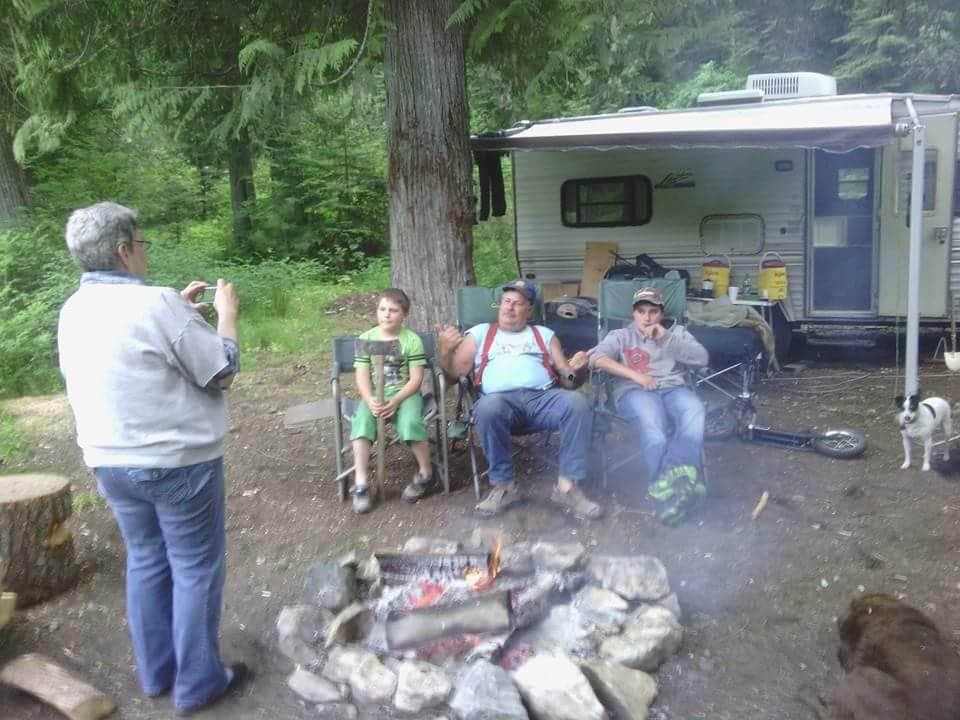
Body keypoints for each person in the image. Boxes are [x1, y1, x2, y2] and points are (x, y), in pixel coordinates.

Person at [57, 202, 247, 715]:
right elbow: (221, 372)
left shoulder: (74, 310)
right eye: (141, 244)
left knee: (144, 560)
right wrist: (226, 316)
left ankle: (157, 671)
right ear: (123, 251)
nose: (144, 252)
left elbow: (126, 360)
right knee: (195, 567)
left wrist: (180, 315)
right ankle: (199, 683)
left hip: (109, 462)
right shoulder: (155, 305)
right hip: (177, 461)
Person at [438, 279, 601, 519]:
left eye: (517, 303)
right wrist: (444, 350)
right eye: (506, 302)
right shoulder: (481, 333)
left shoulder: (544, 334)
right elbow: (454, 376)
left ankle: (567, 487)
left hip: (543, 399)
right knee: (488, 408)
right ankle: (504, 487)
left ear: (529, 310)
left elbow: (567, 379)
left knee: (577, 403)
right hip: (500, 402)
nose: (509, 307)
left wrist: (577, 369)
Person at [591, 286, 709, 525]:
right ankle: (676, 494)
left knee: (694, 410)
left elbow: (701, 359)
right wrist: (637, 377)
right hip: (635, 392)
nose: (646, 317)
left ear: (661, 314)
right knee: (653, 429)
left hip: (674, 389)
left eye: (652, 311)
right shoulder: (621, 336)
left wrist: (664, 337)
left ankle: (674, 486)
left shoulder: (678, 333)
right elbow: (596, 359)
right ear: (633, 314)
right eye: (641, 311)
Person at [349, 288, 435, 513]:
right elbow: (362, 376)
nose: (387, 314)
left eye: (393, 310)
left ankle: (426, 474)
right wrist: (369, 399)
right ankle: (360, 484)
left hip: (404, 394)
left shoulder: (411, 340)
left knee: (410, 423)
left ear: (404, 315)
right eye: (382, 309)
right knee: (361, 423)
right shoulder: (366, 338)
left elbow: (416, 379)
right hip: (375, 395)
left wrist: (396, 400)